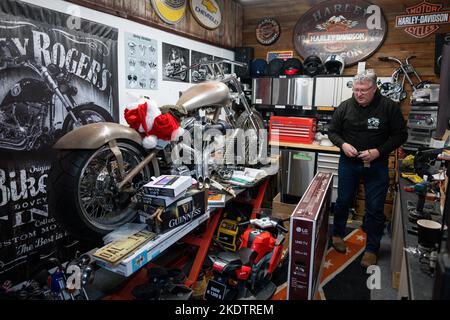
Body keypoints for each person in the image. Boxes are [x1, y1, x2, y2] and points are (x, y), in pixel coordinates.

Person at [328, 69, 408, 268]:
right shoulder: (345, 107)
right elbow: (332, 132)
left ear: (374, 88)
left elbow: (400, 136)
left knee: (374, 207)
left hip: (376, 163)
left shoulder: (388, 107)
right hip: (349, 162)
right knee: (343, 200)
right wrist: (343, 145)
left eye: (363, 90)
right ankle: (337, 234)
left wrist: (378, 151)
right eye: (356, 90)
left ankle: (372, 248)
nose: (359, 94)